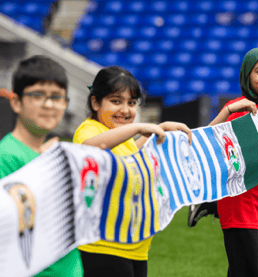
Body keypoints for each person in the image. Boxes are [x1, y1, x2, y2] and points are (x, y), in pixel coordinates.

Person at [73, 65, 192, 277]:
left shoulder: (123, 138)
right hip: (104, 247)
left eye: (132, 103)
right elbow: (90, 149)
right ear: (95, 102)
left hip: (135, 247)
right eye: (116, 101)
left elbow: (129, 158)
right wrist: (137, 128)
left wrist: (161, 127)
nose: (126, 110)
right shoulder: (90, 129)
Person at [0, 55, 83, 276]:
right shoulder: (6, 155)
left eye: (57, 97)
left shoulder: (55, 153)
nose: (49, 104)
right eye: (37, 95)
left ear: (65, 104)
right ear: (16, 102)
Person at [213, 48, 258, 277]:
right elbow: (210, 142)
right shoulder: (240, 109)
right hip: (240, 205)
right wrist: (229, 110)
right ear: (246, 76)